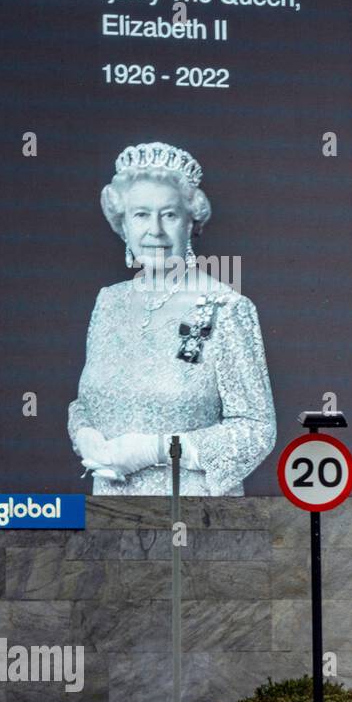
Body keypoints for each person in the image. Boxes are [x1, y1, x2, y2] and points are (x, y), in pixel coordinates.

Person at [67, 142, 276, 495]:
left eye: (169, 214)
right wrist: (83, 434)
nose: (155, 231)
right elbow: (85, 404)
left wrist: (157, 450)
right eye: (141, 215)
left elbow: (256, 430)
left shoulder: (226, 307)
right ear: (122, 223)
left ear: (191, 220)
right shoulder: (108, 302)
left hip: (196, 519)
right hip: (109, 517)